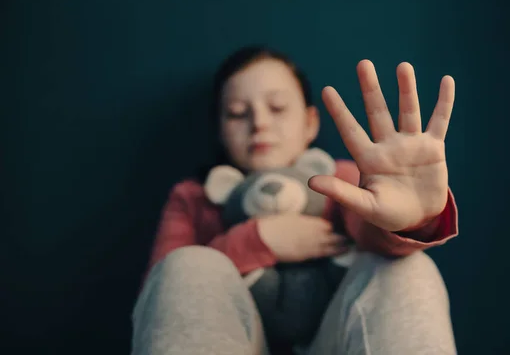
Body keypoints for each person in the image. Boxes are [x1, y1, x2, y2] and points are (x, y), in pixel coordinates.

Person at [131, 46, 459, 355]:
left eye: (277, 108)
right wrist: (257, 240)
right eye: (236, 114)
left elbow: (373, 238)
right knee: (186, 265)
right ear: (219, 130)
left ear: (310, 123)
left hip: (333, 341)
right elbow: (159, 295)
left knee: (406, 267)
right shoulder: (194, 198)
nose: (259, 123)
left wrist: (410, 222)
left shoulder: (340, 178)